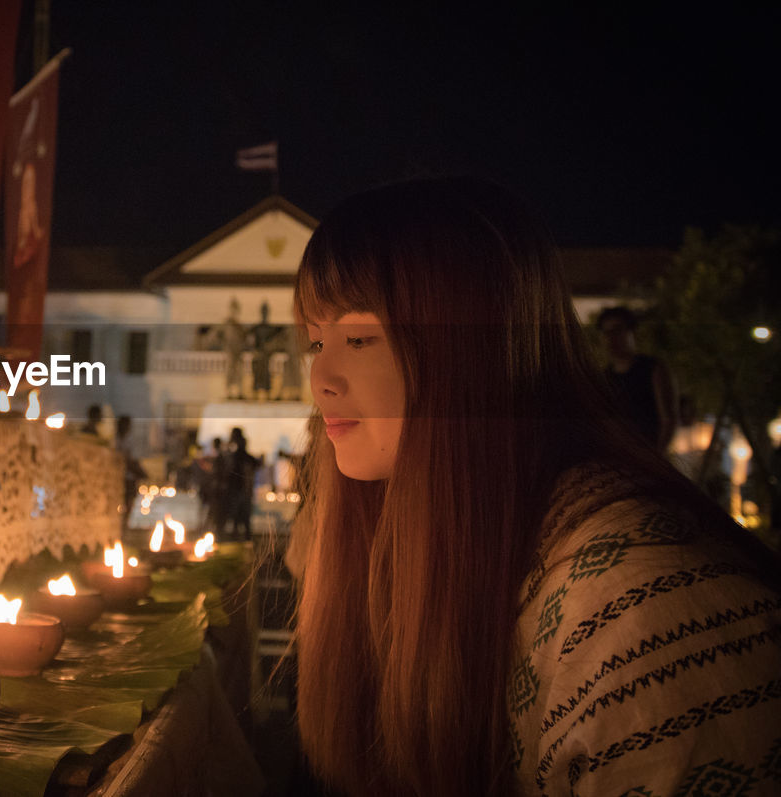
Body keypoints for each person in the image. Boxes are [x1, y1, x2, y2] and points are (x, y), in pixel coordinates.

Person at [292, 177, 781, 796]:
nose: (321, 377)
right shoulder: (426, 538)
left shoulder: (642, 615)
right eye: (315, 340)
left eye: (358, 338)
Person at [597, 305, 678, 452]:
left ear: (631, 332)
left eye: (617, 330)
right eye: (606, 332)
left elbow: (668, 419)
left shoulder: (653, 369)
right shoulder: (604, 377)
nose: (611, 338)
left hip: (648, 455)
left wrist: (655, 456)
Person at [223, 426, 259, 540]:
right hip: (237, 488)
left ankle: (241, 540)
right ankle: (241, 540)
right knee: (239, 518)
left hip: (240, 488)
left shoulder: (237, 450)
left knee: (241, 517)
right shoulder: (234, 450)